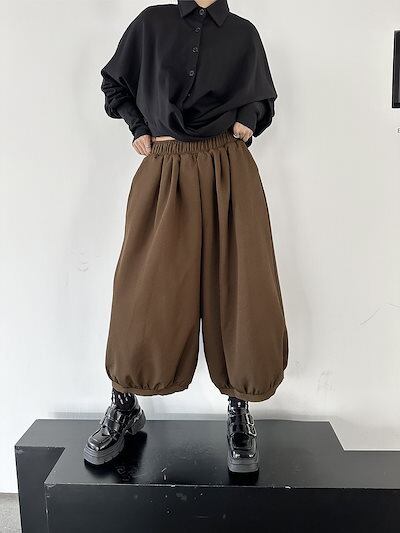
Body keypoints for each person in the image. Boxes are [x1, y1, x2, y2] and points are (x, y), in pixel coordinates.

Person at [84, 0, 288, 474]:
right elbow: (115, 82)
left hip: (228, 166)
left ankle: (240, 409)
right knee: (144, 291)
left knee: (241, 287)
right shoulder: (151, 22)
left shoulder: (242, 32)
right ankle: (124, 403)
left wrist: (249, 119)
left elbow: (262, 95)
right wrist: (139, 126)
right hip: (165, 165)